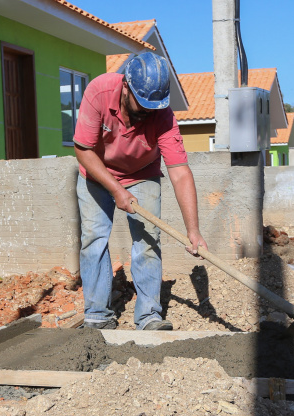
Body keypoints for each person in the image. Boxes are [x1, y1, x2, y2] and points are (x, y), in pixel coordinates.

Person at [72, 51, 207, 331]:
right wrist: (116, 189)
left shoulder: (162, 115)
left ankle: (148, 316)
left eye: (154, 106)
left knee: (148, 241)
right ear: (125, 86)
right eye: (142, 103)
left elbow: (180, 172)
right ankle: (98, 314)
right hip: (97, 172)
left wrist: (193, 231)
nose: (148, 111)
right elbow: (83, 150)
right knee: (94, 239)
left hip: (142, 174)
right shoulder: (99, 91)